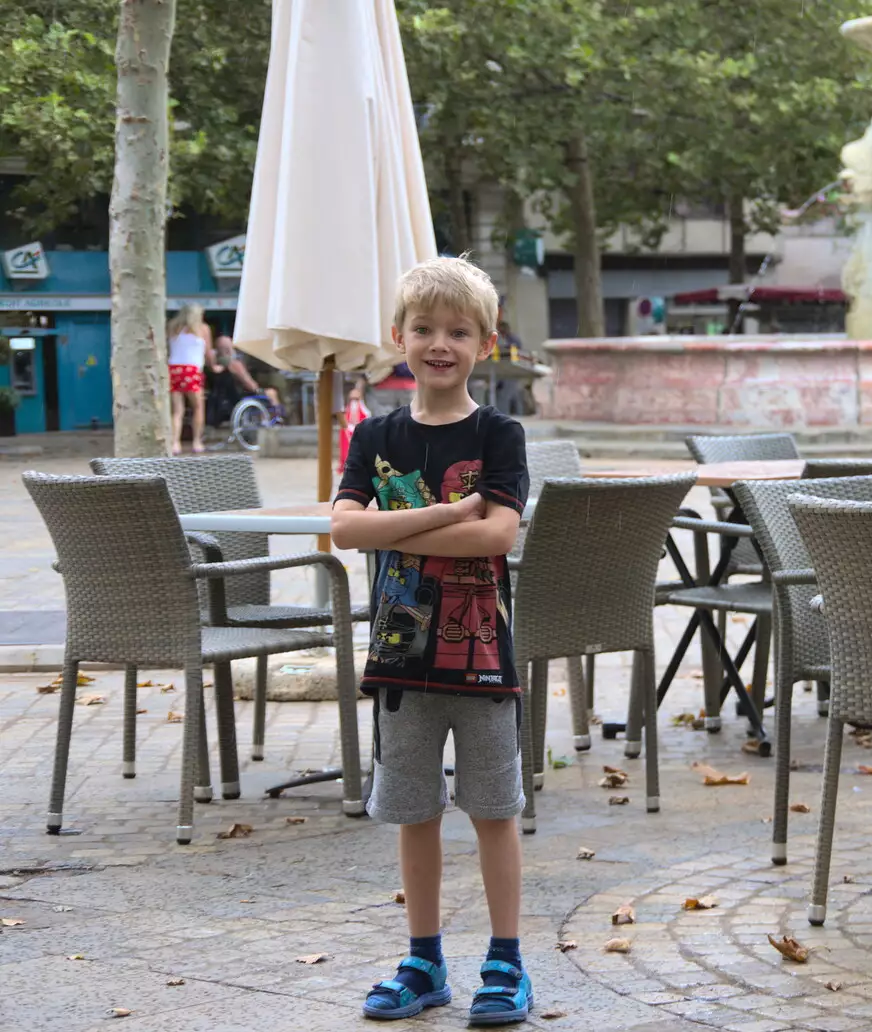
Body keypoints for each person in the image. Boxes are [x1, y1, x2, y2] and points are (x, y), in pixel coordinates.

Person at [330, 256, 531, 1025]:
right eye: (424, 329)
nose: (439, 343)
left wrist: (404, 529)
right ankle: (423, 961)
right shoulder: (374, 436)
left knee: (493, 808)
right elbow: (345, 527)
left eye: (457, 331)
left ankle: (506, 962)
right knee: (413, 810)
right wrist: (449, 516)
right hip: (399, 660)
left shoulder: (498, 433)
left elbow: (498, 536)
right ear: (398, 338)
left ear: (485, 343)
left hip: (484, 659)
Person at [166, 303, 212, 454]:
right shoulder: (203, 329)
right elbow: (208, 352)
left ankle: (175, 443)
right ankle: (196, 442)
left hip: (174, 370)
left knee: (177, 410)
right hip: (192, 370)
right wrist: (214, 366)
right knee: (198, 407)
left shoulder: (172, 327)